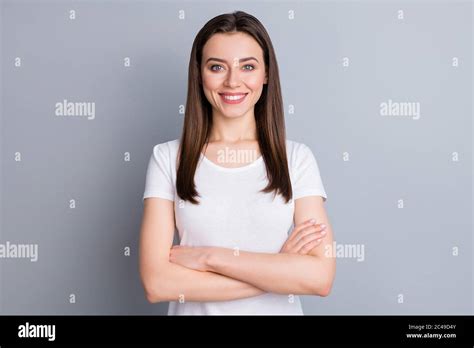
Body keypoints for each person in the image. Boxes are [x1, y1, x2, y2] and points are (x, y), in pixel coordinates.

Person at [139, 10, 335, 315]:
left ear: (266, 74)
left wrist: (208, 259)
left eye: (248, 67)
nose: (233, 81)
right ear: (199, 73)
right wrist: (280, 270)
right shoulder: (167, 158)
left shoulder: (296, 159)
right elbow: (157, 284)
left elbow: (320, 278)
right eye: (217, 67)